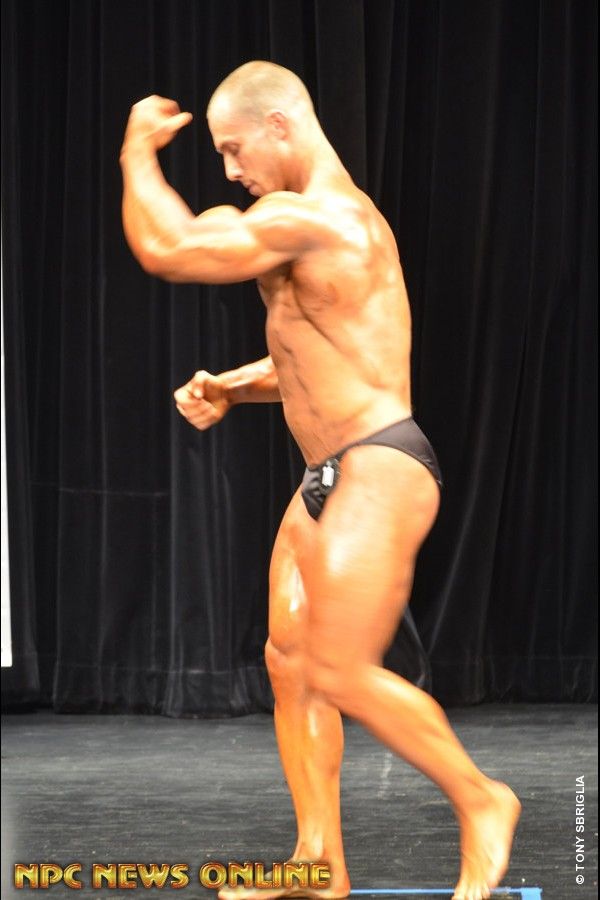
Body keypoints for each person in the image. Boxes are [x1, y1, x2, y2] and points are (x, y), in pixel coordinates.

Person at [120, 60, 520, 900]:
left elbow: (171, 247)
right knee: (291, 661)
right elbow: (318, 356)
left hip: (381, 467)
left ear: (280, 126)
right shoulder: (310, 229)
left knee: (339, 667)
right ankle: (317, 864)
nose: (229, 169)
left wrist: (136, 153)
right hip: (325, 475)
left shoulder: (321, 218)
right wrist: (233, 387)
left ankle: (483, 800)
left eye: (233, 149)